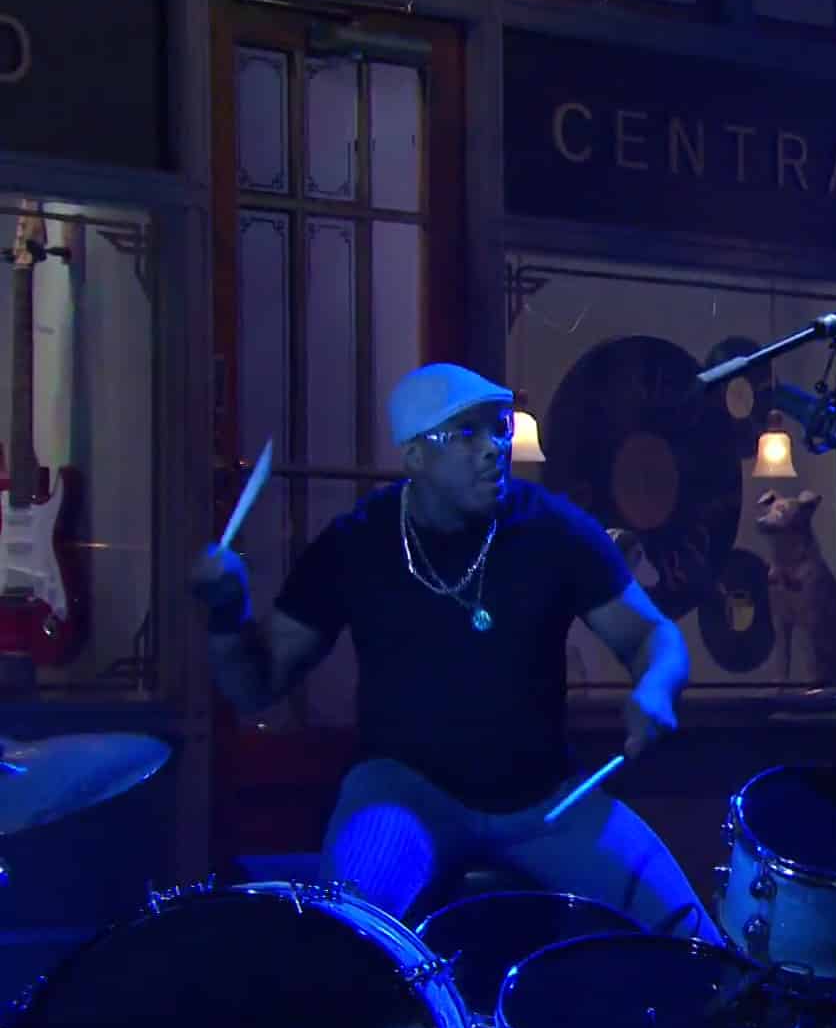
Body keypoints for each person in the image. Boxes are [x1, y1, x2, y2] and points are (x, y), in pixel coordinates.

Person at [191, 362, 723, 947]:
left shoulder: (554, 528)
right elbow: (255, 687)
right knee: (349, 946)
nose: (494, 448)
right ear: (415, 456)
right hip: (404, 794)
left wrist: (656, 688)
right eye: (466, 433)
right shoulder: (356, 543)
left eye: (498, 428)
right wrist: (226, 614)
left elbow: (653, 636)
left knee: (691, 941)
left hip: (546, 800)